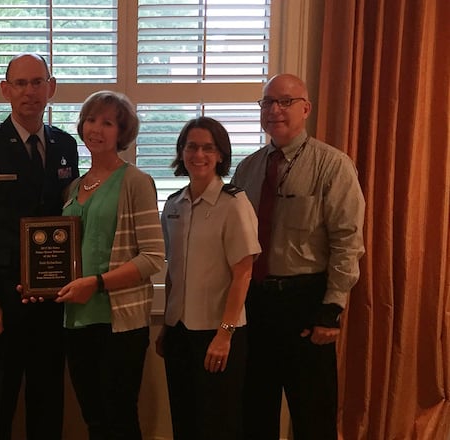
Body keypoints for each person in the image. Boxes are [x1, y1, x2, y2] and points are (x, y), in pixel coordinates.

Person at [0, 53, 79, 440]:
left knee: (47, 405)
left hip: (52, 300)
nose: (30, 91)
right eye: (21, 83)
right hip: (0, 302)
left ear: (51, 88)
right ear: (5, 90)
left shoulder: (64, 145)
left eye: (37, 82)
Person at [231, 73, 365, 439]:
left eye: (285, 101)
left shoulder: (333, 165)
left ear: (306, 109)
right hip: (254, 304)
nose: (274, 109)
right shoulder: (247, 169)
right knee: (254, 412)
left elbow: (347, 242)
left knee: (313, 415)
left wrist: (331, 309)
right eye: (267, 102)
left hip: (305, 302)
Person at [55, 90, 165, 440]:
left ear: (122, 132)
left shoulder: (136, 182)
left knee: (119, 419)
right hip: (77, 318)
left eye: (107, 123)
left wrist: (97, 283)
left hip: (119, 322)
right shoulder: (74, 187)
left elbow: (152, 257)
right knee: (95, 420)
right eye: (90, 120)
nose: (96, 129)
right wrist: (39, 282)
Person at [156, 117, 260, 440]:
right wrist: (166, 326)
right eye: (191, 147)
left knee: (218, 425)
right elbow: (173, 271)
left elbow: (243, 272)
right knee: (184, 421)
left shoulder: (235, 204)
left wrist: (224, 334)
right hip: (179, 332)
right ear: (181, 152)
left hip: (218, 334)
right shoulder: (173, 205)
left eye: (207, 148)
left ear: (220, 155)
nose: (198, 155)